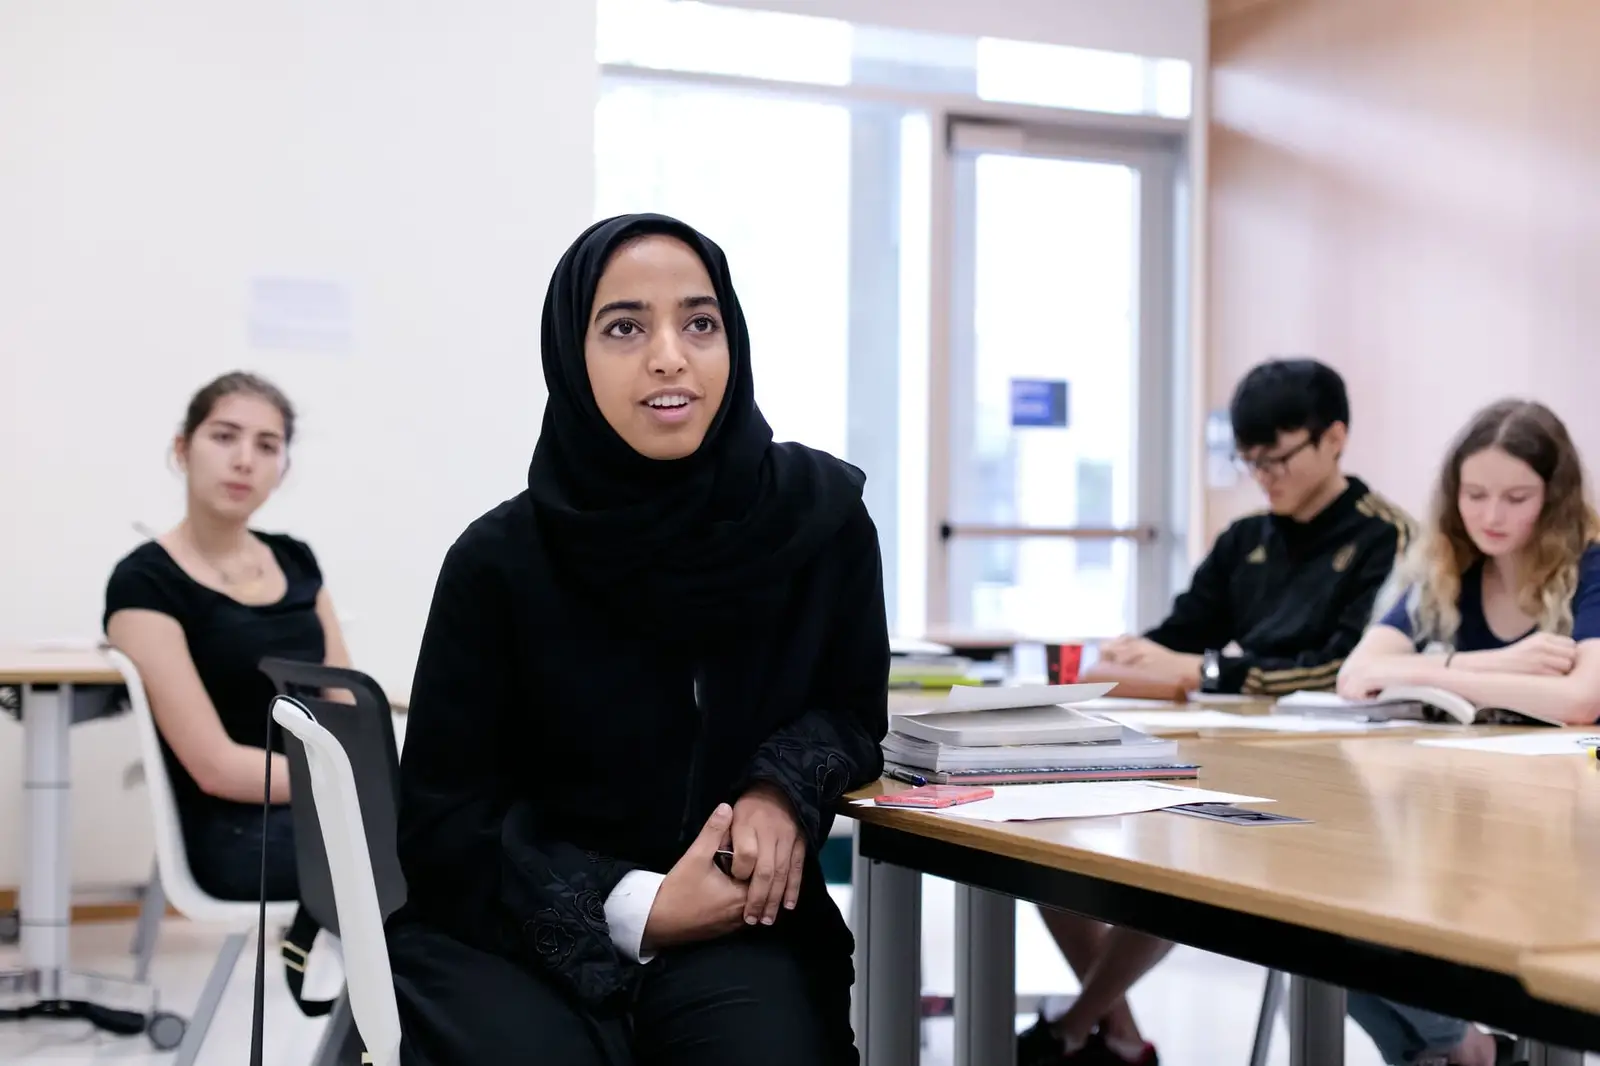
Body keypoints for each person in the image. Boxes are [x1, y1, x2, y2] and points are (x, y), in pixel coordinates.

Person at [385, 213, 889, 1066]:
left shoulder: (819, 521)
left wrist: (777, 788)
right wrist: (638, 908)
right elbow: (444, 825)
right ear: (569, 357)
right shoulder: (498, 563)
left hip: (738, 919)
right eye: (625, 327)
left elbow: (847, 709)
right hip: (519, 919)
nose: (670, 355)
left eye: (700, 323)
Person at [1021, 358, 1412, 1065]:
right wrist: (1138, 653)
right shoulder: (1246, 539)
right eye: (1250, 461)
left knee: (1189, 861)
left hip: (1332, 778)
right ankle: (1110, 1035)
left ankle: (1084, 1028)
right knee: (1048, 852)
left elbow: (1349, 670)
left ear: (1334, 439)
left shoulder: (1385, 537)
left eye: (1279, 457)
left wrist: (1206, 670)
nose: (1265, 475)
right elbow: (1182, 631)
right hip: (1220, 753)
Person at [1333, 399, 1600, 1066]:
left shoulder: (1589, 564)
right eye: (1475, 494)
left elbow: (1581, 699)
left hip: (1565, 832)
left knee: (1379, 952)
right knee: (1342, 933)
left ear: (1555, 495)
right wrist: (1493, 663)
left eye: (1517, 497)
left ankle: (1461, 1051)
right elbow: (1357, 676)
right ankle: (1467, 1049)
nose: (1492, 516)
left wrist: (1437, 673)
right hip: (1457, 812)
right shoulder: (1448, 562)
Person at [104, 372, 352, 901]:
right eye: (224, 436)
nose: (245, 460)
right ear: (182, 448)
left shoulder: (296, 560)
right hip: (240, 828)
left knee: (475, 841)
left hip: (332, 806)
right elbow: (214, 766)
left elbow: (346, 700)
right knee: (441, 861)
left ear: (282, 469)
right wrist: (352, 783)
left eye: (267, 446)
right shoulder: (146, 582)